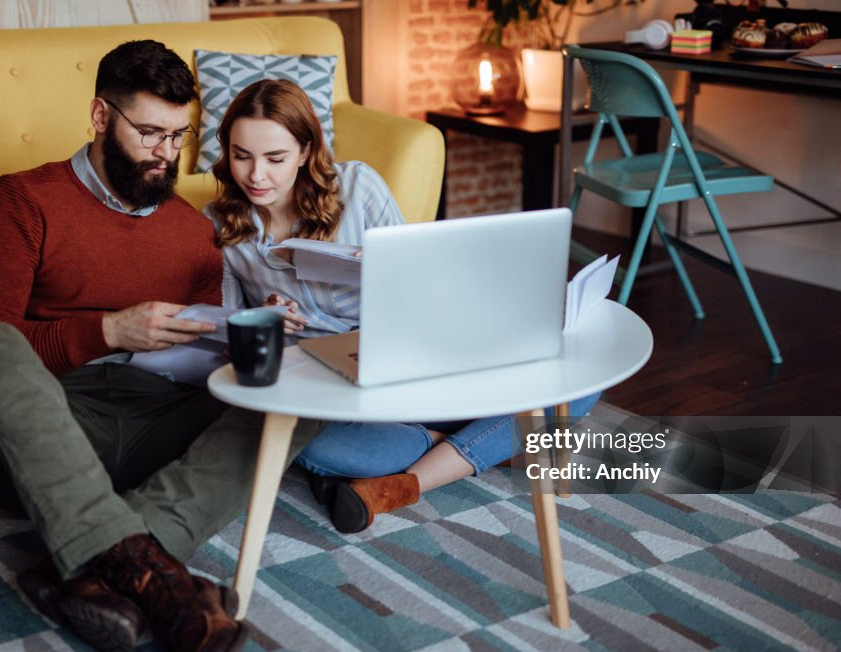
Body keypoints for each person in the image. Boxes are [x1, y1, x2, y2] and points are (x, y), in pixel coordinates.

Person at [0, 41, 323, 652]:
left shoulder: (193, 230)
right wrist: (107, 331)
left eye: (179, 136)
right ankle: (168, 584)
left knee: (303, 380)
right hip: (45, 422)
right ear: (99, 115)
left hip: (153, 416)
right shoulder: (20, 199)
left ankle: (109, 564)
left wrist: (241, 338)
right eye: (148, 133)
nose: (165, 154)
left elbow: (204, 346)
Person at [206, 79, 598, 536]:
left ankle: (406, 482)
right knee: (311, 449)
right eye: (241, 155)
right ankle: (465, 440)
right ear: (226, 150)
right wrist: (265, 322)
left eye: (275, 158)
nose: (256, 175)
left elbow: (426, 286)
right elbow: (230, 338)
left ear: (306, 150)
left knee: (577, 373)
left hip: (413, 353)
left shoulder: (357, 186)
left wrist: (392, 269)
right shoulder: (222, 226)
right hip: (335, 384)